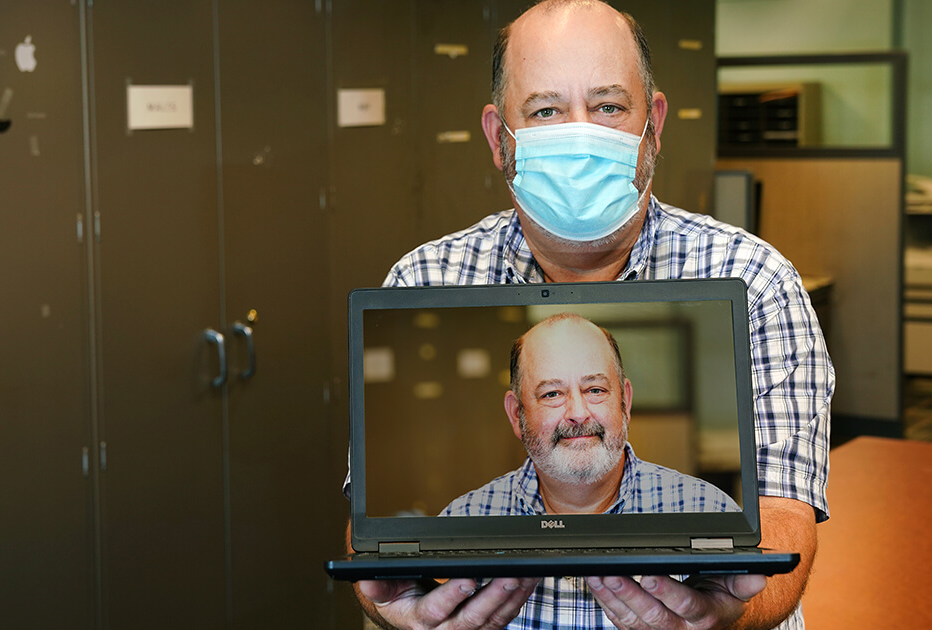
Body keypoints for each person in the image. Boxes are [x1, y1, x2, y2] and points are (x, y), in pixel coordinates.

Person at [349, 1, 834, 628]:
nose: (581, 135)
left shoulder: (758, 282)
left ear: (653, 124)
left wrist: (727, 619)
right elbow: (371, 535)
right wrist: (398, 611)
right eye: (546, 111)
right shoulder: (424, 280)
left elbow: (785, 519)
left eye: (608, 106)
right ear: (501, 140)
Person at [442, 312, 737, 519]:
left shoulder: (706, 511)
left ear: (626, 401)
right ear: (516, 414)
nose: (579, 414)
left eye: (595, 390)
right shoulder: (463, 522)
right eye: (552, 394)